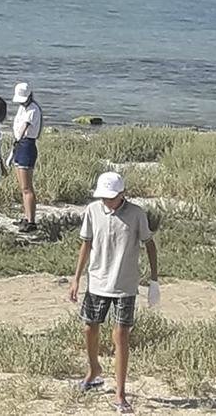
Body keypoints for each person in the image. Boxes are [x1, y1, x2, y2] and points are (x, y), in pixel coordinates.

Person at [68, 172, 160, 414]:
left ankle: (120, 394)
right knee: (89, 327)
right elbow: (86, 244)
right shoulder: (92, 210)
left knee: (121, 336)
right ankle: (93, 370)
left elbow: (150, 244)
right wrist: (76, 278)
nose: (107, 201)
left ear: (122, 194)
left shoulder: (136, 214)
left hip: (125, 285)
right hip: (97, 281)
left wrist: (154, 281)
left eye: (111, 197)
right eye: (104, 197)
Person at [9, 82, 43, 233]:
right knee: (22, 187)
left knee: (27, 187)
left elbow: (24, 127)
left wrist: (17, 142)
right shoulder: (22, 108)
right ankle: (26, 216)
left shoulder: (33, 109)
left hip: (26, 145)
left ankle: (31, 221)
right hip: (20, 144)